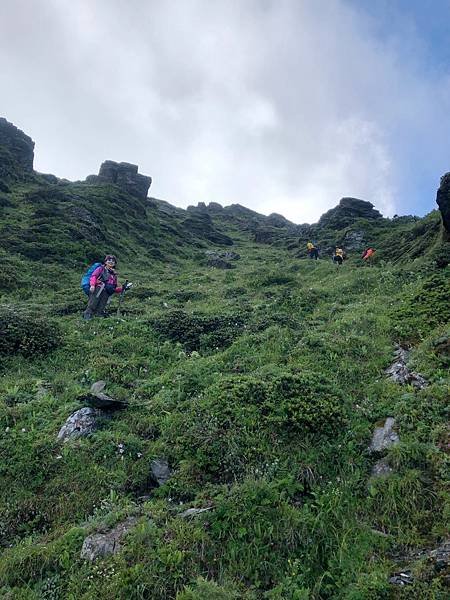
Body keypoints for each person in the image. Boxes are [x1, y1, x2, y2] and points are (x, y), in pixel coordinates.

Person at [83, 255, 130, 320]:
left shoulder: (114, 275)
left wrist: (123, 288)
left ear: (115, 263)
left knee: (102, 305)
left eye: (113, 261)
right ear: (105, 262)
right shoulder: (100, 269)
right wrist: (92, 285)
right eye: (109, 260)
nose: (111, 262)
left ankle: (98, 317)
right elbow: (93, 276)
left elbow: (113, 288)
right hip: (98, 288)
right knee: (93, 302)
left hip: (106, 292)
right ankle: (87, 315)